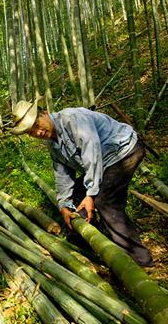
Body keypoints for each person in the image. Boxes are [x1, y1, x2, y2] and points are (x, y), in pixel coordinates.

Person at [11, 100, 154, 267]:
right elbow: (62, 175)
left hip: (124, 151)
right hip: (104, 163)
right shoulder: (52, 144)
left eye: (37, 125)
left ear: (44, 113)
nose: (38, 132)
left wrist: (91, 193)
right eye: (31, 132)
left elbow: (91, 153)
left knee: (105, 201)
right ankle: (88, 244)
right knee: (76, 197)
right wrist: (64, 204)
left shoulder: (72, 119)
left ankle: (140, 260)